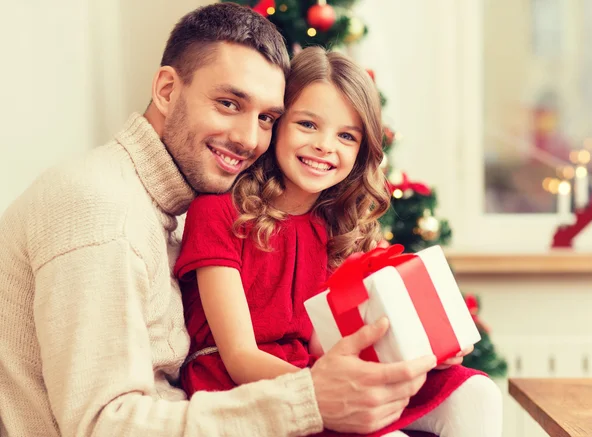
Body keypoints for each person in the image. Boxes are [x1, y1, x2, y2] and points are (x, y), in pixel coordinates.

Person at [0, 3, 438, 436]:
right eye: (229, 103)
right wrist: (307, 401)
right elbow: (103, 426)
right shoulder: (100, 211)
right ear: (167, 90)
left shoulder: (164, 207)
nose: (250, 139)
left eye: (267, 118)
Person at [174, 46, 503, 437]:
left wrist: (426, 354)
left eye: (346, 135)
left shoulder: (333, 228)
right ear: (276, 125)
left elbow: (326, 344)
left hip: (314, 371)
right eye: (308, 125)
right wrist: (327, 390)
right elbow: (240, 357)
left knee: (478, 392)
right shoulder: (219, 213)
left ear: (361, 151)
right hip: (244, 388)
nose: (325, 146)